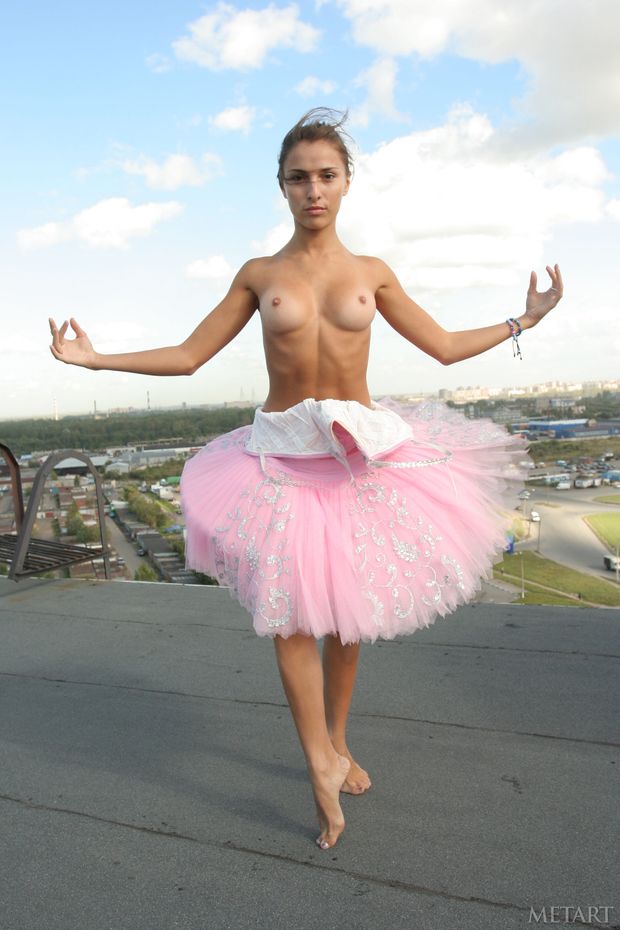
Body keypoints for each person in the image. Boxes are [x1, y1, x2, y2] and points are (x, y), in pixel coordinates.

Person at [49, 108, 563, 851]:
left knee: (346, 620)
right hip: (281, 461)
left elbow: (445, 347)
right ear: (281, 188)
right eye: (299, 177)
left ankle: (339, 742)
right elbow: (192, 355)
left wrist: (525, 321)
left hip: (360, 458)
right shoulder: (261, 276)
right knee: (291, 615)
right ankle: (316, 758)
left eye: (326, 175)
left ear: (347, 183)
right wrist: (98, 361)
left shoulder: (373, 273)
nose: (313, 189)